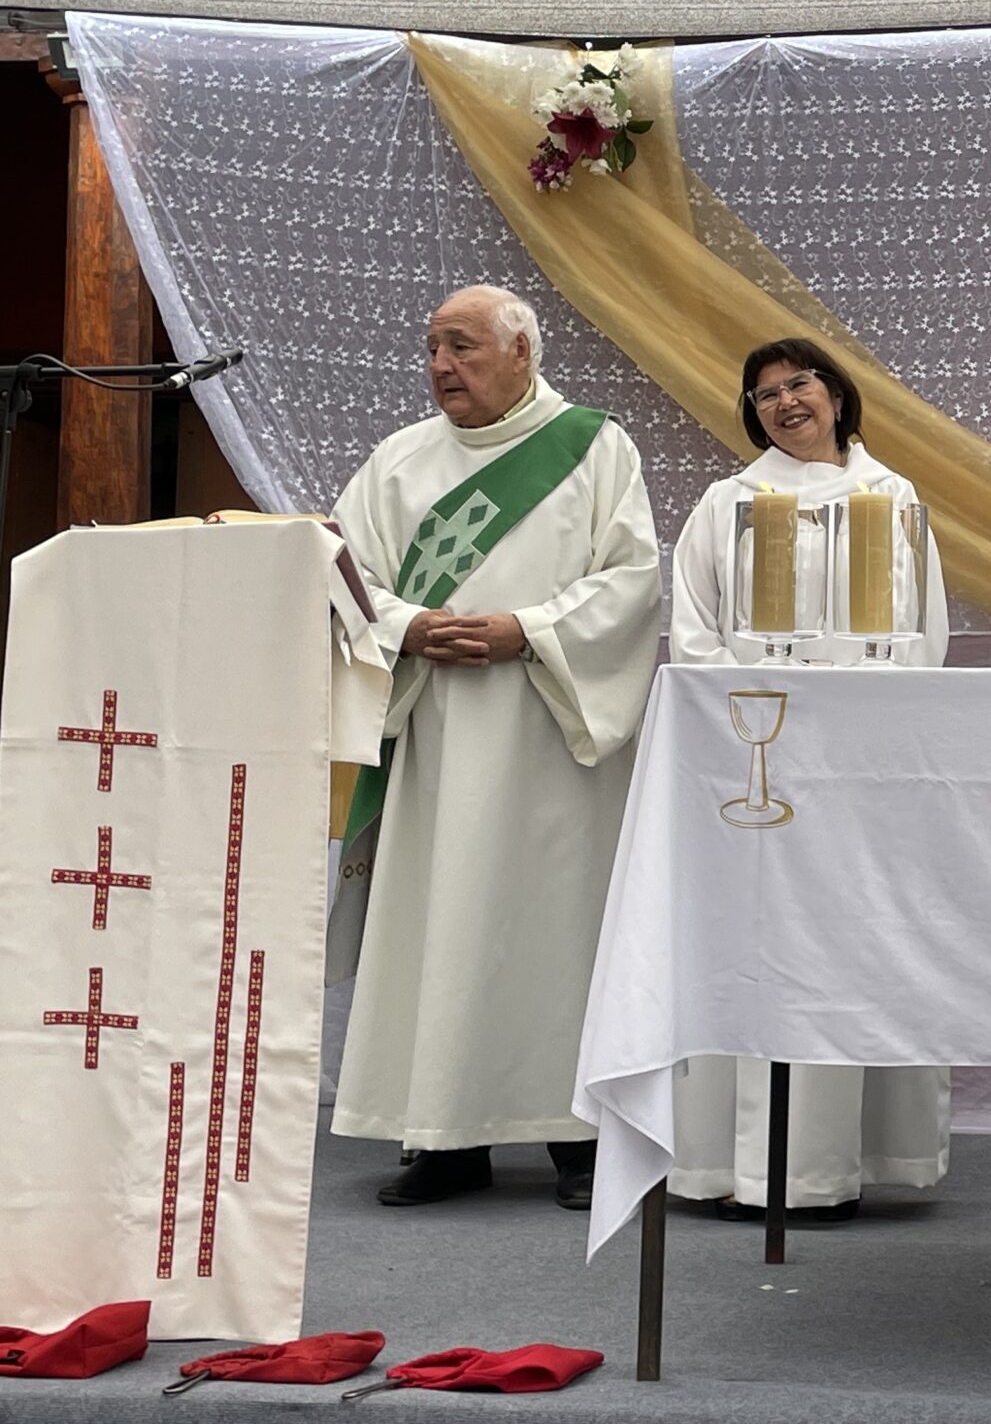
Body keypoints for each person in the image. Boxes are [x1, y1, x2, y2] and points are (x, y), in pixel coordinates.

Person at [332, 285, 660, 1210]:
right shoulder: (398, 460)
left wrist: (528, 629)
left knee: (555, 929)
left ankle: (576, 1139)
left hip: (551, 734)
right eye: (434, 347)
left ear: (522, 353)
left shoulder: (595, 448)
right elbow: (345, 579)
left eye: (464, 347)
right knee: (442, 924)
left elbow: (633, 580)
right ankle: (445, 1135)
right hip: (438, 731)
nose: (442, 367)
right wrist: (407, 625)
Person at [666, 338, 951, 1220]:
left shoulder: (892, 498)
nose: (785, 403)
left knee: (850, 947)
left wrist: (866, 718)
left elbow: (924, 633)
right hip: (755, 766)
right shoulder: (728, 504)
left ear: (835, 393)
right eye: (764, 396)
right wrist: (750, 721)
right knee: (749, 951)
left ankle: (844, 1162)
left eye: (799, 385)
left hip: (858, 772)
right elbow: (694, 628)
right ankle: (728, 1164)